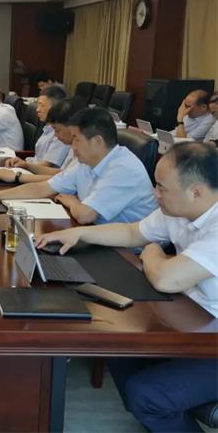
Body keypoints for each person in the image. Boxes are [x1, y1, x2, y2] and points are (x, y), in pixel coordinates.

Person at [36, 142, 218, 432]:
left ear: (196, 192)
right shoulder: (179, 209)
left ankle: (155, 411)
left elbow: (166, 278)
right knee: (119, 347)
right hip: (193, 321)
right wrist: (79, 233)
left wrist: (152, 253)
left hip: (210, 337)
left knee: (147, 394)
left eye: (161, 188)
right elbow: (133, 232)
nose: (154, 194)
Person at [0, 107, 157, 224]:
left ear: (97, 141)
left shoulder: (122, 168)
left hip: (129, 254)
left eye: (76, 139)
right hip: (98, 235)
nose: (72, 146)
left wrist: (71, 201)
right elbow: (43, 188)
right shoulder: (88, 161)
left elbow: (85, 215)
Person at [0, 100, 76, 184]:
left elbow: (62, 180)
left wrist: (17, 177)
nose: (55, 135)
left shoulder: (76, 148)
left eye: (57, 130)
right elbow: (61, 174)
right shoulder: (73, 147)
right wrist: (26, 165)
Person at [9, 85, 69, 168]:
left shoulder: (61, 135)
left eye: (42, 106)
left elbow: (47, 165)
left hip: (38, 172)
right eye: (38, 105)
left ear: (55, 108)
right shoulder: (48, 128)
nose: (38, 109)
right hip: (31, 166)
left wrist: (24, 165)